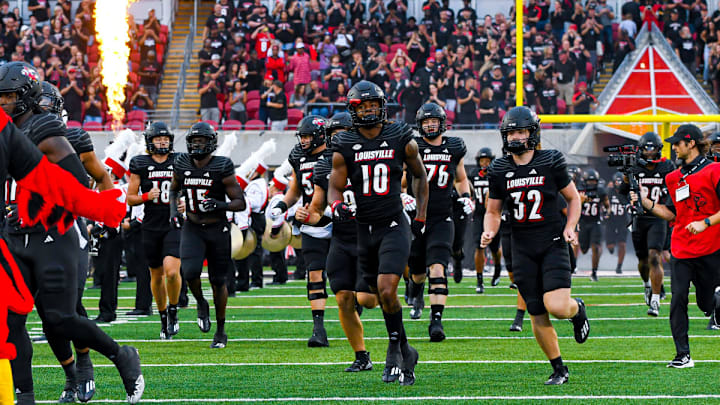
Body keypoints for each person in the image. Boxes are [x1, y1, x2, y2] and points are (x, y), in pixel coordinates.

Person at [0, 62, 141, 404]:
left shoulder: (44, 126)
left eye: (8, 96)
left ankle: (121, 355)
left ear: (26, 96)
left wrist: (34, 206)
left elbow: (76, 183)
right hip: (15, 237)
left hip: (53, 235)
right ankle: (24, 397)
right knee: (11, 324)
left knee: (60, 318)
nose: (2, 103)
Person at [328, 80, 428, 385]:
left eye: (374, 105)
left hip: (394, 223)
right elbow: (334, 184)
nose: (370, 110)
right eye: (364, 106)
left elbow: (420, 176)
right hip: (363, 228)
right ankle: (405, 348)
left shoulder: (399, 135)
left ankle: (395, 351)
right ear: (354, 110)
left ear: (382, 107)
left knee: (387, 290)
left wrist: (421, 217)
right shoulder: (344, 143)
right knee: (375, 297)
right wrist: (336, 206)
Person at [481, 106, 589, 385]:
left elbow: (574, 199)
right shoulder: (499, 168)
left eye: (521, 131)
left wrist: (570, 227)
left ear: (532, 132)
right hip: (522, 247)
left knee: (556, 306)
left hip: (552, 243)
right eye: (511, 132)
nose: (516, 137)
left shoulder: (551, 160)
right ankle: (559, 368)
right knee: (535, 310)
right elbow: (492, 211)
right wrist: (489, 232)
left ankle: (577, 309)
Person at [629, 124, 720, 367]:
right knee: (678, 298)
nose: (674, 148)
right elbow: (670, 214)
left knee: (705, 303)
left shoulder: (715, 171)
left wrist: (706, 222)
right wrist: (645, 202)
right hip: (682, 247)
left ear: (690, 143)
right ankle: (683, 354)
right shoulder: (674, 177)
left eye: (677, 143)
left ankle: (715, 300)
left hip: (711, 247)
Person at [296, 111, 379, 371]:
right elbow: (318, 209)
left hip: (369, 237)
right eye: (333, 135)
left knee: (368, 300)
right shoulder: (324, 166)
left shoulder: (370, 159)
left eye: (342, 133)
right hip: (341, 239)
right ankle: (361, 356)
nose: (337, 139)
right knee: (342, 296)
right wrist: (305, 216)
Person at [169, 122, 246, 349]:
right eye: (194, 141)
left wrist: (219, 204)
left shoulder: (222, 165)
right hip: (192, 226)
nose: (197, 145)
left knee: (218, 280)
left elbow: (240, 203)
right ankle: (201, 303)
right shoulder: (182, 163)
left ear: (211, 143)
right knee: (189, 271)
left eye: (201, 141)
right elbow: (174, 188)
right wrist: (174, 211)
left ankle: (221, 330)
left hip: (218, 228)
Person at [405, 102, 472, 343]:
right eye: (425, 122)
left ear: (442, 122)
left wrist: (466, 198)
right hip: (417, 216)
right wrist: (403, 195)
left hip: (443, 216)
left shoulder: (454, 146)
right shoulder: (413, 146)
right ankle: (416, 290)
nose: (430, 125)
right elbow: (403, 178)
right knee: (418, 272)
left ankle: (436, 320)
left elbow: (461, 178)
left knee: (438, 267)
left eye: (434, 121)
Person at [269, 115, 332, 347]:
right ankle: (318, 328)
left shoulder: (334, 154)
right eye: (302, 136)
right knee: (314, 273)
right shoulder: (298, 156)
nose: (303, 140)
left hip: (337, 218)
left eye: (307, 136)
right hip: (311, 220)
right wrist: (282, 205)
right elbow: (295, 189)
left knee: (339, 275)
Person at [127, 122, 183, 340]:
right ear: (150, 141)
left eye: (165, 139)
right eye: (158, 139)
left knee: (171, 271)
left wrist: (186, 201)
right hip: (150, 224)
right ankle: (162, 317)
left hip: (173, 222)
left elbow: (190, 187)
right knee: (156, 276)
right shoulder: (140, 163)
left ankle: (174, 309)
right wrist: (145, 197)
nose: (162, 142)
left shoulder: (179, 160)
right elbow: (130, 198)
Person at [621, 132, 674, 316]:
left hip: (657, 217)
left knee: (654, 256)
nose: (649, 152)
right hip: (639, 218)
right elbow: (622, 190)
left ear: (659, 149)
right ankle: (647, 285)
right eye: (646, 148)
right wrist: (627, 180)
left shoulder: (667, 166)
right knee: (643, 261)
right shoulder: (634, 166)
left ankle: (655, 300)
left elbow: (675, 187)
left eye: (652, 148)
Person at [471, 147, 503, 292]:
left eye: (487, 161)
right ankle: (479, 280)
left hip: (494, 214)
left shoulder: (496, 175)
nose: (484, 163)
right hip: (478, 215)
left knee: (495, 248)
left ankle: (497, 268)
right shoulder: (473, 174)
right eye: (482, 160)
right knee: (479, 246)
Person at [577, 169, 608, 282]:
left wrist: (607, 213)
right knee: (584, 249)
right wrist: (581, 201)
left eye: (593, 181)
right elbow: (574, 205)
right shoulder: (580, 190)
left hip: (596, 222)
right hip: (584, 222)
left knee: (596, 246)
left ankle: (594, 272)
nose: (591, 183)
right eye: (589, 181)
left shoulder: (600, 190)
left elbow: (606, 203)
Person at [606, 172, 630, 274]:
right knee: (610, 246)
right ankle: (611, 249)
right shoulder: (609, 191)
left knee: (622, 244)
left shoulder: (627, 192)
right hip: (611, 220)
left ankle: (619, 266)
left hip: (623, 221)